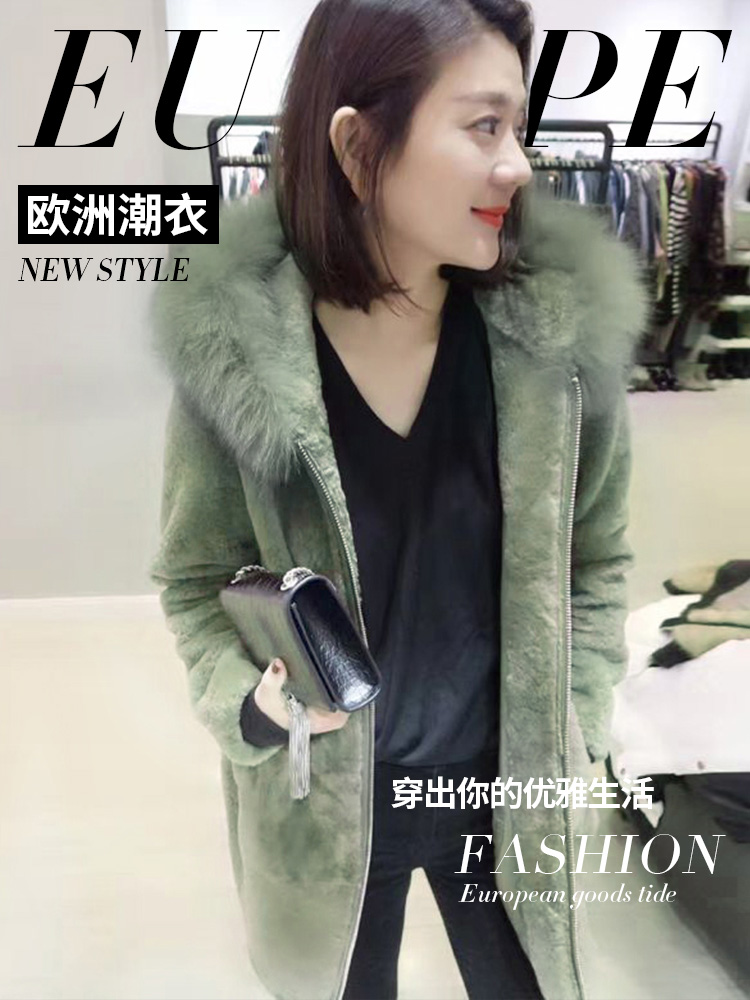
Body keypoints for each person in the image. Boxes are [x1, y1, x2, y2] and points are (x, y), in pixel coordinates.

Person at [148, 1, 649, 998]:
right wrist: (253, 706)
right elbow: (197, 577)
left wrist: (576, 726)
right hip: (326, 801)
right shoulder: (238, 354)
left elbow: (595, 561)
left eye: (520, 129)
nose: (518, 166)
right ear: (358, 144)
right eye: (483, 125)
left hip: (505, 790)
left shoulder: (558, 348)